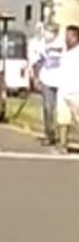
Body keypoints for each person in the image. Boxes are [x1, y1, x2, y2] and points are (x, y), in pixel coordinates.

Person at [34, 22, 65, 146]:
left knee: (61, 110)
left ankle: (61, 135)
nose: (48, 34)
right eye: (47, 31)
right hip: (47, 79)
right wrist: (36, 77)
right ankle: (49, 134)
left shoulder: (63, 43)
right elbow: (38, 61)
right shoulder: (41, 44)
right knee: (48, 108)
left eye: (51, 31)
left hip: (62, 80)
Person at [54, 25, 79, 153]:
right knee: (63, 119)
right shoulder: (64, 52)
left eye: (70, 36)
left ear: (76, 38)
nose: (67, 39)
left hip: (76, 91)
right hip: (63, 90)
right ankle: (63, 144)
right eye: (66, 36)